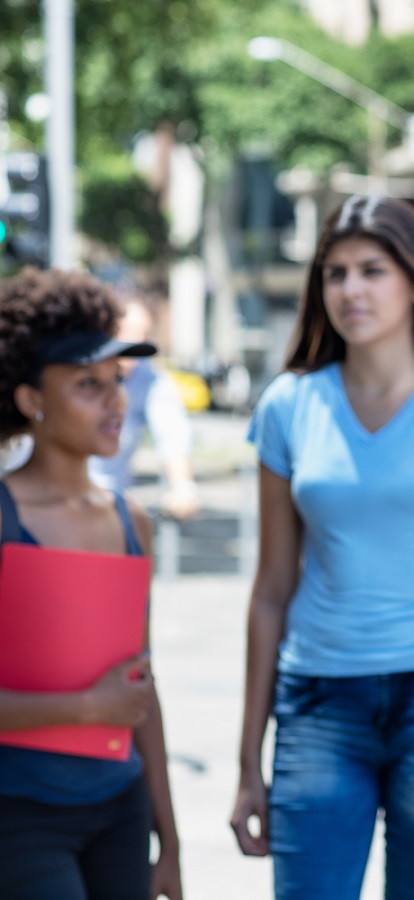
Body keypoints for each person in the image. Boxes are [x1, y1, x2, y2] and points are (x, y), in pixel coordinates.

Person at [229, 196, 414, 900]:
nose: (351, 290)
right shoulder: (289, 407)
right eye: (334, 274)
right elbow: (271, 588)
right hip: (319, 704)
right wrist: (247, 766)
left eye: (371, 271)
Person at [0, 268, 182, 899]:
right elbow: (110, 702)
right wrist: (85, 708)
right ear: (30, 400)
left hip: (120, 811)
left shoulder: (130, 519)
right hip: (18, 814)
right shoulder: (2, 518)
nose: (115, 403)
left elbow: (141, 687)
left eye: (117, 382)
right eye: (87, 385)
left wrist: (172, 841)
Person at [90, 296, 200, 520]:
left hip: (108, 504)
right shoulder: (72, 368)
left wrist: (183, 486)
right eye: (127, 330)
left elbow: (172, 431)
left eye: (144, 333)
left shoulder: (149, 379)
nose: (115, 400)